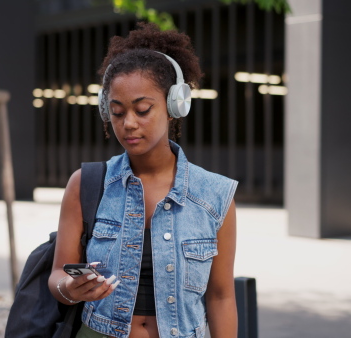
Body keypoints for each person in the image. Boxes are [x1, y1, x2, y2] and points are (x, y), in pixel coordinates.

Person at [48, 22, 238, 338]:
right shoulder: (86, 184)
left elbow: (221, 296)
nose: (129, 124)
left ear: (175, 105)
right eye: (118, 112)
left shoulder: (216, 195)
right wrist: (71, 288)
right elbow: (57, 275)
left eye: (143, 109)